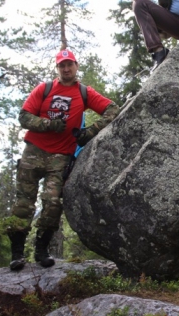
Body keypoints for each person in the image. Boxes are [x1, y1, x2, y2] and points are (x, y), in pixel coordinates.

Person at [7, 48, 120, 271]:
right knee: (23, 205)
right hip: (33, 152)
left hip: (61, 156)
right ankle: (17, 254)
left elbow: (112, 109)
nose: (66, 69)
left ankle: (41, 250)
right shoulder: (44, 89)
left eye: (70, 64)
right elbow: (24, 116)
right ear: (57, 68)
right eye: (62, 65)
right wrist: (47, 124)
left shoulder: (84, 92)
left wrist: (91, 131)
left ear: (76, 66)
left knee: (52, 204)